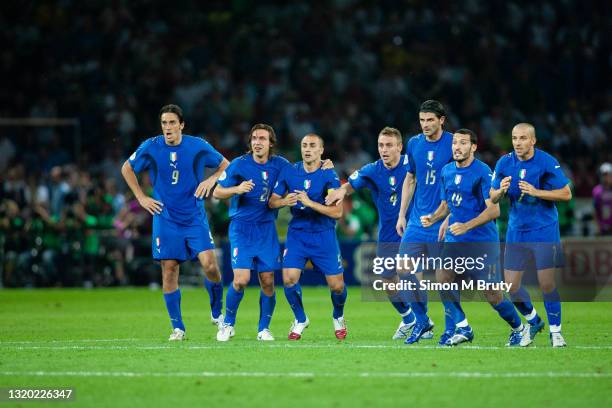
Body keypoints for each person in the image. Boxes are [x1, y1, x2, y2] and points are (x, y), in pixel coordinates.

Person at [121, 104, 229, 341]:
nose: (168, 127)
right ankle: (178, 328)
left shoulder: (197, 145)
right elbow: (127, 168)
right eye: (164, 123)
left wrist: (211, 180)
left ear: (182, 124)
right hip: (165, 217)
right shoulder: (150, 146)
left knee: (210, 265)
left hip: (194, 216)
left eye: (172, 123)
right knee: (169, 270)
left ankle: (217, 311)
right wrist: (141, 197)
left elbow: (225, 165)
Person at [422, 129, 524, 346]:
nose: (457, 147)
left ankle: (519, 328)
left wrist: (466, 226)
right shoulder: (447, 171)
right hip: (456, 240)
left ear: (473, 147)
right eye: (454, 143)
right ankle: (463, 326)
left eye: (463, 143)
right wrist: (433, 219)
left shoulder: (483, 172)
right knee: (442, 279)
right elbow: (447, 204)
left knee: (493, 295)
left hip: (481, 241)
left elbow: (494, 211)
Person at [325, 127, 418, 339]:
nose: (384, 150)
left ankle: (423, 322)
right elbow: (350, 184)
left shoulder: (411, 164)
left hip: (413, 229)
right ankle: (409, 318)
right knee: (387, 280)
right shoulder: (373, 170)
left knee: (409, 273)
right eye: (380, 145)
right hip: (387, 232)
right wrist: (341, 191)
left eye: (389, 145)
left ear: (399, 147)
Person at [490, 123, 572, 347]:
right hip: (517, 230)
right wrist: (500, 191)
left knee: (546, 284)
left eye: (523, 138)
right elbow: (492, 197)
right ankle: (534, 321)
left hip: (544, 229)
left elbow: (566, 194)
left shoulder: (546, 162)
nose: (518, 142)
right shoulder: (505, 162)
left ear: (533, 141)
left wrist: (537, 192)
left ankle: (556, 332)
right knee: (512, 286)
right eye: (515, 138)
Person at [213, 124, 289, 342]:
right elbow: (217, 191)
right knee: (241, 280)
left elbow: (301, 172)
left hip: (266, 229)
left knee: (267, 281)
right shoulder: (238, 164)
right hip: (242, 229)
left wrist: (324, 165)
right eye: (254, 138)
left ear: (270, 143)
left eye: (262, 139)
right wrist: (237, 189)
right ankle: (228, 324)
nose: (257, 142)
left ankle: (263, 329)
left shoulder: (280, 165)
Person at [269, 134, 347, 340]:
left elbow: (337, 213)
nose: (307, 149)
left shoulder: (329, 174)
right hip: (298, 234)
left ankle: (338, 316)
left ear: (321, 150)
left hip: (324, 234)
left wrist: (310, 202)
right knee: (288, 279)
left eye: (313, 145)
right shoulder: (290, 171)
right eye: (304, 145)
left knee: (337, 286)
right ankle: (300, 318)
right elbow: (272, 202)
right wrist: (285, 201)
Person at [395, 100, 454, 344]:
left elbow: (459, 182)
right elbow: (410, 178)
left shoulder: (454, 142)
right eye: (422, 120)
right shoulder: (414, 143)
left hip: (443, 220)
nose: (425, 125)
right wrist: (402, 214)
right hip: (418, 221)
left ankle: (454, 328)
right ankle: (423, 321)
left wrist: (449, 217)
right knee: (403, 270)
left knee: (446, 278)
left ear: (442, 120)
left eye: (430, 120)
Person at [593, 162, 612, 236]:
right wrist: (597, 227)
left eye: (608, 175)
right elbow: (595, 209)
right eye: (604, 175)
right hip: (602, 228)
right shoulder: (597, 190)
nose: (606, 177)